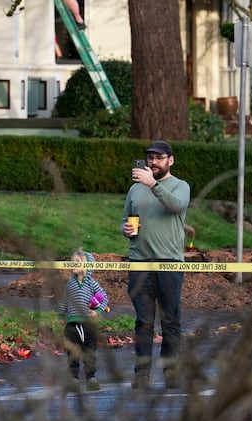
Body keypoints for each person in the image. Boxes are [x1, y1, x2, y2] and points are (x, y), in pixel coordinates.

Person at [121, 141, 191, 389]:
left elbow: (176, 206)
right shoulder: (134, 190)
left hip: (170, 262)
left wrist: (153, 184)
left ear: (170, 160)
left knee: (170, 320)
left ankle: (171, 373)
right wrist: (125, 229)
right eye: (150, 158)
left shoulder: (180, 186)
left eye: (159, 158)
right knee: (143, 322)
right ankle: (141, 375)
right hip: (139, 262)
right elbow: (124, 221)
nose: (153, 162)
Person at [57, 248, 110, 391]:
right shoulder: (70, 284)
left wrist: (97, 311)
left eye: (77, 261)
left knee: (89, 351)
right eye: (72, 261)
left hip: (88, 324)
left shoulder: (91, 283)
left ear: (87, 266)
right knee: (72, 353)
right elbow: (65, 301)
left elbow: (103, 297)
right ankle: (73, 378)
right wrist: (61, 315)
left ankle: (91, 378)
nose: (73, 263)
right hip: (72, 324)